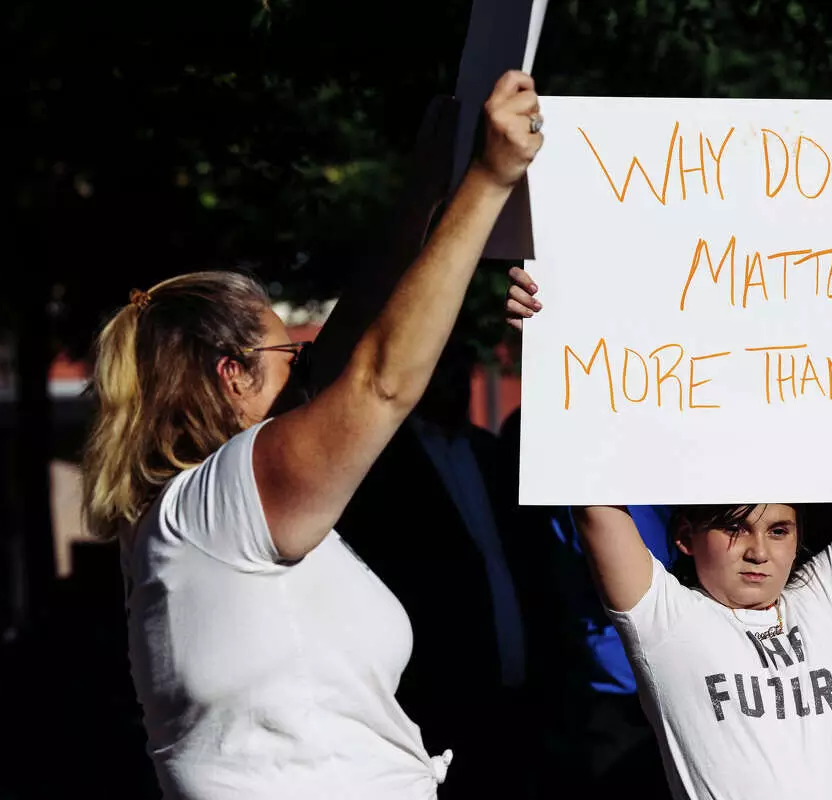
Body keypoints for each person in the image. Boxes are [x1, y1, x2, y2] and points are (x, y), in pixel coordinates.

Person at [80, 70, 543, 800]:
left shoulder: (192, 511)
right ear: (232, 376)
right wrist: (489, 180)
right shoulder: (226, 500)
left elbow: (348, 353)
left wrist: (424, 198)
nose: (305, 370)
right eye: (285, 356)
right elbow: (377, 381)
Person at [505, 265, 832, 799]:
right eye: (734, 528)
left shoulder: (822, 601)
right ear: (684, 536)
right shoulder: (665, 620)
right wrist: (548, 346)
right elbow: (589, 492)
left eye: (779, 530)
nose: (758, 551)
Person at [335, 339, 535, 800]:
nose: (455, 382)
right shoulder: (383, 463)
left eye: (461, 368)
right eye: (442, 369)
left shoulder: (490, 454)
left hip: (520, 691)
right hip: (437, 699)